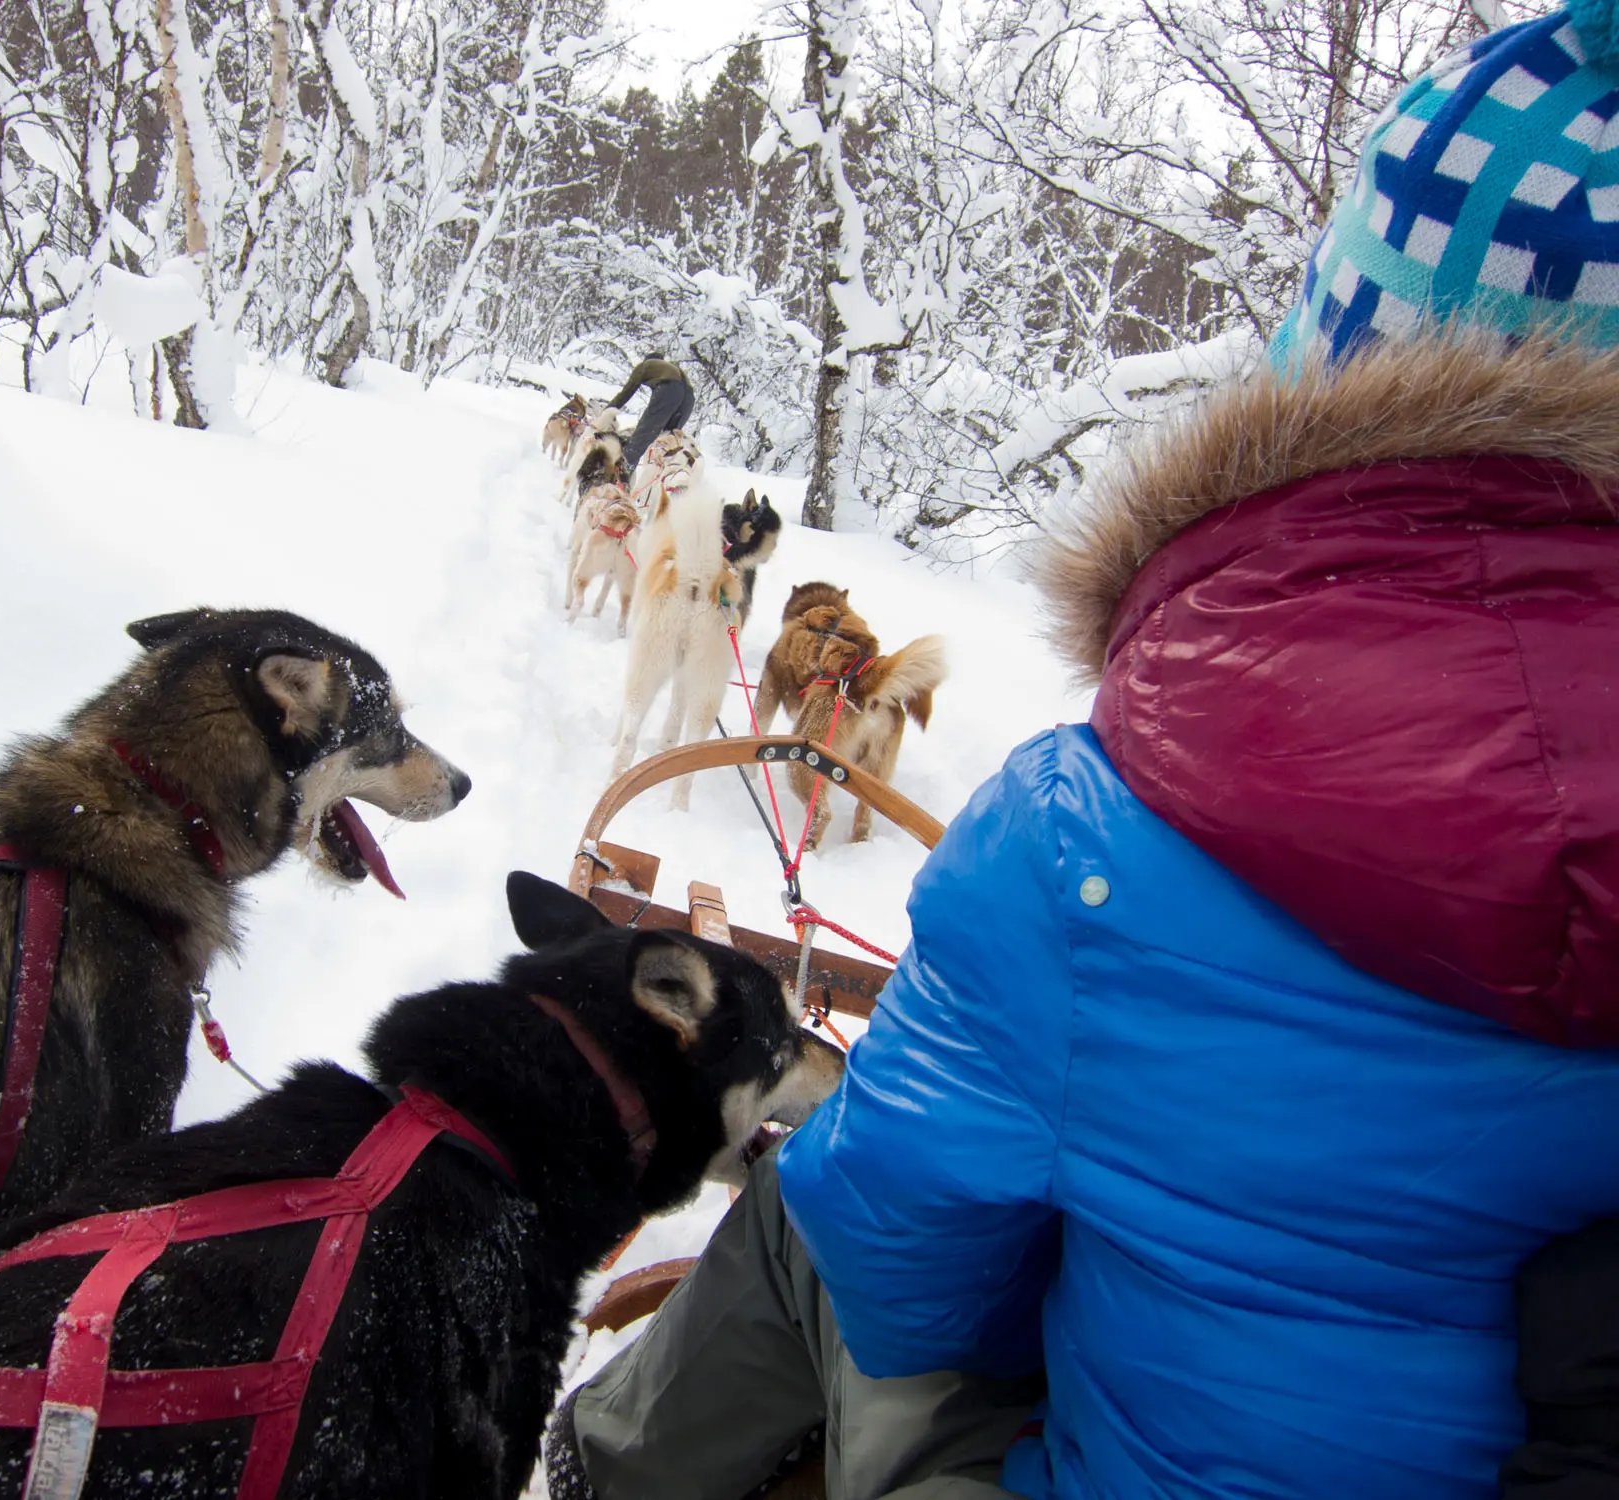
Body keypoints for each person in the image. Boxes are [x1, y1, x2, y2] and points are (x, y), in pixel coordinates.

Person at [545, 4, 1619, 1497]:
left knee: (827, 1206)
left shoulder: (1093, 826)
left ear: (1332, 370)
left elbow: (905, 1242)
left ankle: (604, 1469)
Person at [609, 352, 695, 470]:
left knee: (641, 437)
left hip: (670, 389)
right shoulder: (671, 369)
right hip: (689, 398)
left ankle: (622, 471)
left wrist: (607, 411)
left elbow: (626, 392)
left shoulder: (645, 366)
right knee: (668, 441)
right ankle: (664, 476)